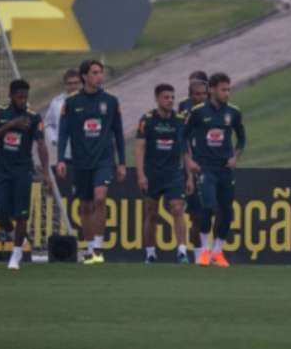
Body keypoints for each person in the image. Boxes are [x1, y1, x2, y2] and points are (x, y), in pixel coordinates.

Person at [55, 59, 126, 264]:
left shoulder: (111, 101)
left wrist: (121, 162)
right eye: (94, 72)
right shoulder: (71, 102)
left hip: (104, 159)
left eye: (100, 72)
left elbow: (118, 133)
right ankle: (89, 249)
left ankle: (98, 248)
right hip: (80, 161)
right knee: (85, 206)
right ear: (84, 76)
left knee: (100, 198)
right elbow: (63, 133)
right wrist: (60, 160)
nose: (99, 76)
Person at [0, 79, 50, 270]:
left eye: (25, 97)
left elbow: (41, 145)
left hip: (23, 171)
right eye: (19, 97)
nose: (22, 100)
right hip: (2, 171)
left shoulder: (34, 117)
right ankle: (16, 237)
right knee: (0, 213)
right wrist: (11, 124)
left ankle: (15, 256)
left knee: (22, 215)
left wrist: (46, 172)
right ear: (11, 95)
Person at [184, 72, 245, 268]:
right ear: (211, 89)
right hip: (205, 167)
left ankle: (218, 251)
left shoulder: (233, 112)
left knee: (226, 211)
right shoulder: (198, 112)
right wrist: (189, 160)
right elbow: (182, 137)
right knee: (208, 207)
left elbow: (242, 138)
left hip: (225, 169)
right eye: (223, 89)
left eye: (228, 89)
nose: (227, 93)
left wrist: (235, 156)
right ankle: (204, 250)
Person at [135, 84, 191, 264]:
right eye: (166, 97)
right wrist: (141, 175)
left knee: (177, 209)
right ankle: (150, 253)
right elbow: (139, 148)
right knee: (151, 213)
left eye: (172, 97)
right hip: (152, 173)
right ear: (157, 99)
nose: (170, 101)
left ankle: (182, 251)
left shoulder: (180, 120)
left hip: (174, 174)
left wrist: (190, 176)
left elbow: (186, 150)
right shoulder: (147, 120)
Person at [178, 72, 208, 260]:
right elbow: (183, 138)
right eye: (196, 92)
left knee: (212, 211)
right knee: (196, 214)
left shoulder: (215, 108)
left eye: (203, 93)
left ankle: (210, 251)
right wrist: (188, 167)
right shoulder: (184, 108)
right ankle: (199, 255)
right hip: (191, 165)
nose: (200, 97)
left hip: (210, 165)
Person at [44, 69, 82, 167]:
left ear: (81, 83)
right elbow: (48, 124)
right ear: (65, 85)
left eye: (76, 83)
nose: (73, 86)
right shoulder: (56, 103)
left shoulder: (88, 101)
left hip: (87, 154)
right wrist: (54, 139)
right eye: (70, 83)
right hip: (65, 155)